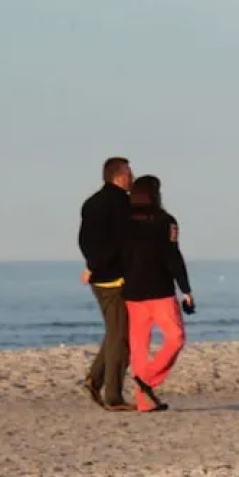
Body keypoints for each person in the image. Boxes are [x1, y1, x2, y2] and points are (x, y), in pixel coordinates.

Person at [121, 175, 195, 413]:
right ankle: (147, 383)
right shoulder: (166, 221)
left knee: (140, 346)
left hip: (132, 291)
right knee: (176, 337)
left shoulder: (125, 222)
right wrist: (186, 289)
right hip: (160, 290)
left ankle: (144, 396)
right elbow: (174, 257)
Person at [78, 156, 135, 411]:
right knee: (121, 337)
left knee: (115, 332)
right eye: (129, 174)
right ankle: (113, 395)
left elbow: (84, 241)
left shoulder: (91, 203)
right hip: (115, 278)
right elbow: (123, 243)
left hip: (99, 277)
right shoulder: (122, 204)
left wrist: (92, 265)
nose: (132, 178)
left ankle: (95, 379)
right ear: (118, 176)